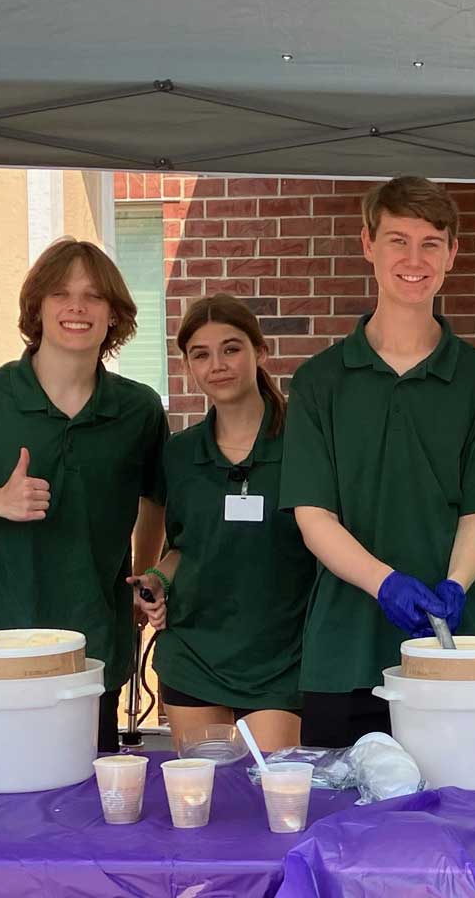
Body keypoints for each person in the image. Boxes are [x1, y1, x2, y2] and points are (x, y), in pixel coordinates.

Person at [280, 176, 475, 747]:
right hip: (344, 653)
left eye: (431, 243)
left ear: (452, 254)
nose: (415, 260)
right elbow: (314, 517)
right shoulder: (319, 381)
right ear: (368, 244)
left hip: (456, 651)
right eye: (398, 241)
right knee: (340, 803)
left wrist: (455, 585)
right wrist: (385, 584)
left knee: (463, 799)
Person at [0, 238, 167, 753]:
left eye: (93, 296)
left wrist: (142, 575)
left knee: (86, 793)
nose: (77, 307)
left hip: (92, 646)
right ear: (36, 307)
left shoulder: (139, 410)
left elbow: (155, 500)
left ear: (113, 315)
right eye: (61, 294)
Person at [133, 295, 315, 751]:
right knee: (202, 788)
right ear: (188, 366)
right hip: (193, 654)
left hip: (282, 658)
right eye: (201, 354)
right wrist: (156, 579)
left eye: (231, 349)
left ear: (260, 352)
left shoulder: (307, 444)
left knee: (270, 785)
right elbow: (184, 547)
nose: (217, 365)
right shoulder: (179, 453)